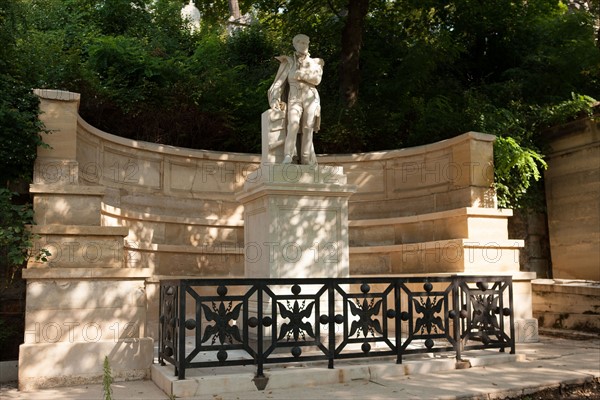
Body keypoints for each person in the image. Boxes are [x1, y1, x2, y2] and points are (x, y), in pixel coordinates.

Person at [268, 34, 324, 165]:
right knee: (292, 124)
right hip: (294, 97)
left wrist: (300, 74)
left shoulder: (315, 62)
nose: (303, 45)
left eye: (305, 42)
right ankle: (288, 155)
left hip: (311, 97)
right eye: (300, 42)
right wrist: (274, 98)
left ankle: (306, 158)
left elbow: (317, 79)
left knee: (308, 127)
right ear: (294, 45)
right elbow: (278, 83)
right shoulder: (288, 63)